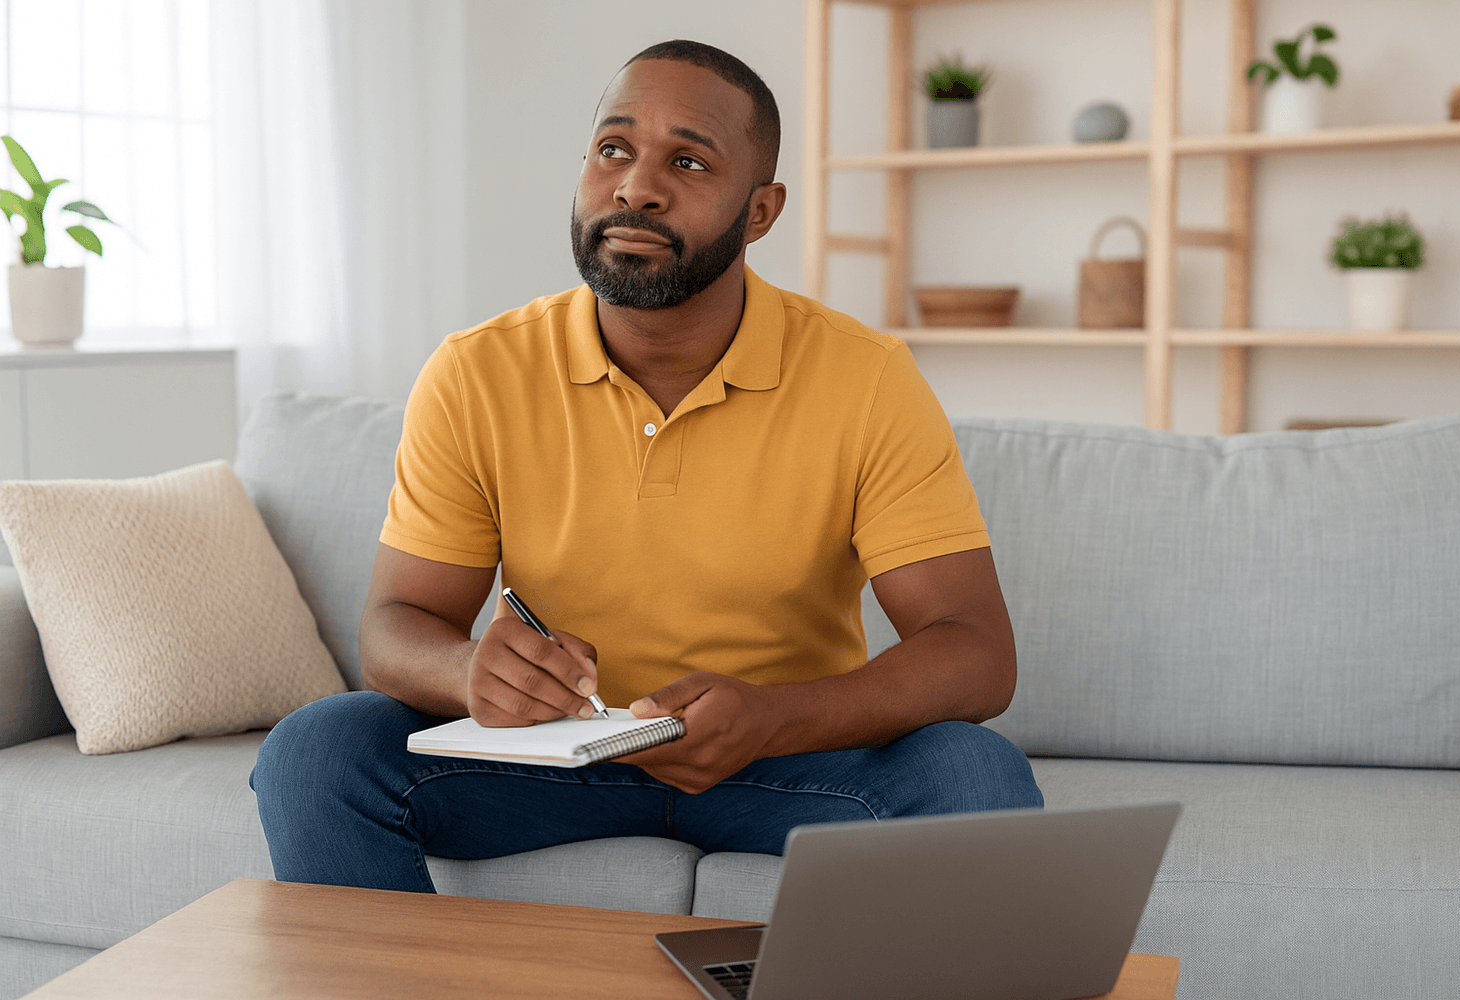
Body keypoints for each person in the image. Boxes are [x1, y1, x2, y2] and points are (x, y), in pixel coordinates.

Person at [251, 39, 1042, 893]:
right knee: (318, 749)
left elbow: (975, 653)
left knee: (974, 773)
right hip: (551, 763)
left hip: (784, 762)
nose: (635, 186)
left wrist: (774, 718)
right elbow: (395, 625)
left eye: (690, 161)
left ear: (760, 210)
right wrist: (467, 670)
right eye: (613, 150)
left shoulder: (866, 377)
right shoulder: (477, 371)